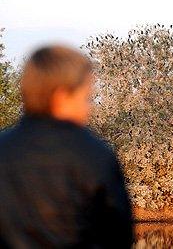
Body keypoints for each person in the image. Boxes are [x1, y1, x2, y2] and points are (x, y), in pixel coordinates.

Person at [0, 45, 133, 248]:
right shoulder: (96, 154)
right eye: (86, 97)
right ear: (61, 96)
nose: (90, 106)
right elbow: (119, 237)